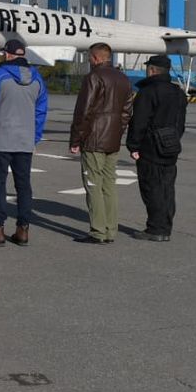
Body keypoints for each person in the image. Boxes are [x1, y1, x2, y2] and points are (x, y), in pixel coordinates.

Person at [0, 38, 48, 247]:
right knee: (23, 185)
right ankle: (23, 228)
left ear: (7, 54)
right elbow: (40, 111)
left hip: (0, 139)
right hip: (25, 140)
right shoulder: (38, 80)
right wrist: (33, 137)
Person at [69, 42, 134, 244]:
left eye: (90, 57)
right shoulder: (123, 78)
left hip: (94, 139)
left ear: (96, 58)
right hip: (113, 139)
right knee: (109, 185)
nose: (89, 60)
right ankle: (110, 230)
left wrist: (76, 138)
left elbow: (84, 111)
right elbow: (126, 112)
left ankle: (97, 231)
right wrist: (117, 131)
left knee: (93, 184)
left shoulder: (94, 77)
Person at [126, 54, 187, 241]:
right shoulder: (178, 92)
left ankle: (155, 229)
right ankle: (165, 226)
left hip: (151, 147)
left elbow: (139, 122)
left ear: (151, 70)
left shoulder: (148, 92)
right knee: (167, 188)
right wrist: (173, 139)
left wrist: (133, 145)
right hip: (171, 145)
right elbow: (181, 123)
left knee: (152, 187)